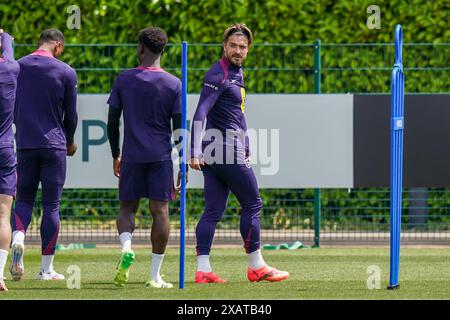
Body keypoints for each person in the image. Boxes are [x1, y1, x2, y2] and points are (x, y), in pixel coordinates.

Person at [189, 23, 289, 283]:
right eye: (233, 45)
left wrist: (247, 143)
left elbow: (238, 113)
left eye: (242, 47)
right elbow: (200, 112)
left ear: (248, 49)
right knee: (253, 203)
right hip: (222, 147)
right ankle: (256, 265)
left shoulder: (237, 73)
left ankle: (203, 270)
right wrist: (193, 150)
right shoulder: (218, 74)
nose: (238, 50)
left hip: (223, 147)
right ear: (224, 46)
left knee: (213, 210)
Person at [107, 27, 185, 289]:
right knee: (160, 211)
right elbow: (178, 129)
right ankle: (154, 276)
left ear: (141, 48)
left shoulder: (124, 79)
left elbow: (111, 123)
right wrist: (182, 161)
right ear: (163, 50)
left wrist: (116, 153)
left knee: (127, 208)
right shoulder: (174, 83)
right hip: (161, 157)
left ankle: (127, 247)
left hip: (132, 155)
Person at [10, 28, 78, 281]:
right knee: (51, 206)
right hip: (54, 146)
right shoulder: (66, 72)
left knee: (24, 199)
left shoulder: (17, 67)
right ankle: (46, 269)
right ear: (58, 46)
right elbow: (71, 115)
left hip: (26, 144)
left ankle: (18, 238)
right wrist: (70, 141)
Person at [0, 28, 20, 292]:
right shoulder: (11, 70)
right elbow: (10, 49)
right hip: (5, 147)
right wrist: (4, 36)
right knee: (3, 215)